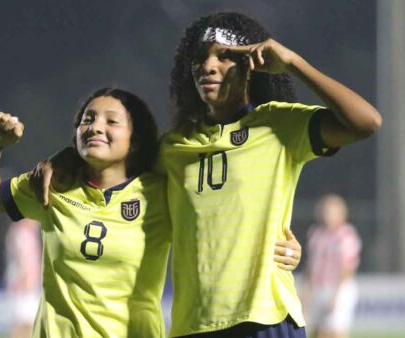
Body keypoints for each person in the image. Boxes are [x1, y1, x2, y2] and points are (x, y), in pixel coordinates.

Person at [33, 12, 381, 337]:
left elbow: (366, 122)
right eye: (200, 58)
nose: (209, 66)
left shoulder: (279, 126)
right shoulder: (172, 147)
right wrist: (66, 157)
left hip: (264, 317)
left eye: (224, 56)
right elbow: (114, 167)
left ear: (250, 67)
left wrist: (293, 64)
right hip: (192, 323)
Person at [0, 88, 172, 337]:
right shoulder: (53, 185)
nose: (95, 127)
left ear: (136, 138)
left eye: (111, 121)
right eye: (88, 119)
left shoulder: (161, 193)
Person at [303, 194, 362, 338]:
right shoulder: (316, 233)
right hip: (318, 288)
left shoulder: (346, 234)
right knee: (316, 331)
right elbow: (311, 264)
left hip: (338, 288)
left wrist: (336, 294)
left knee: (335, 331)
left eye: (331, 210)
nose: (327, 214)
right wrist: (306, 289)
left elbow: (348, 267)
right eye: (325, 210)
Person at [4, 218, 41, 338]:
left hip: (30, 284)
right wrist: (23, 279)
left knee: (29, 323)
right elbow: (21, 259)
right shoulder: (22, 234)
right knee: (24, 322)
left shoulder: (27, 234)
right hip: (23, 284)